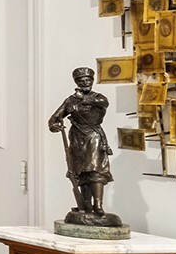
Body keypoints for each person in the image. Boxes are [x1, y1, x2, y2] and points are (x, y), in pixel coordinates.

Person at [47, 66, 121, 227]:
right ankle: (86, 206)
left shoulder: (99, 98)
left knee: (96, 170)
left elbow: (103, 103)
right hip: (77, 137)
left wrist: (82, 99)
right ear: (77, 82)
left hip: (94, 136)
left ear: (92, 81)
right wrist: (54, 126)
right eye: (81, 81)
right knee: (80, 172)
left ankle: (98, 205)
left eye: (88, 80)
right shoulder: (70, 100)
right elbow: (54, 118)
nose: (85, 83)